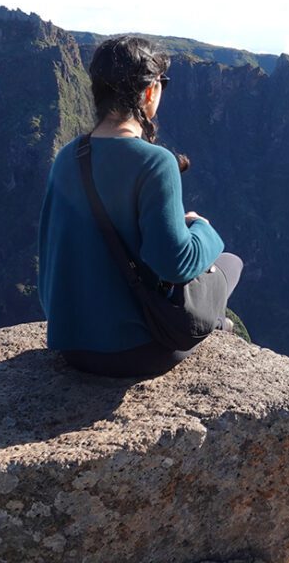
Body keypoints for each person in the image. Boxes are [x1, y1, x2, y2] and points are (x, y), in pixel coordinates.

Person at [37, 35, 243, 377]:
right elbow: (176, 264)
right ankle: (215, 324)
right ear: (149, 91)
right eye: (162, 83)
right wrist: (202, 228)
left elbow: (50, 251)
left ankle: (215, 323)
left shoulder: (67, 157)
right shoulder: (155, 163)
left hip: (71, 348)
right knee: (230, 263)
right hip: (136, 352)